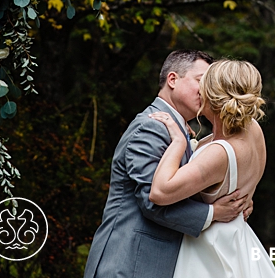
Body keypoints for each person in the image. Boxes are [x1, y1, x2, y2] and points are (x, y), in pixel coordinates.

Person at [83, 50, 250, 278]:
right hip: (129, 261)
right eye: (201, 81)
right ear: (173, 79)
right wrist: (214, 212)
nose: (207, 91)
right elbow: (152, 202)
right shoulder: (151, 126)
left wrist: (236, 202)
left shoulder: (178, 128)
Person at [148, 58, 275, 278]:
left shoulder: (219, 153)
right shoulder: (253, 129)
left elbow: (160, 192)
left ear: (211, 94)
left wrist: (179, 142)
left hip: (211, 251)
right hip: (238, 239)